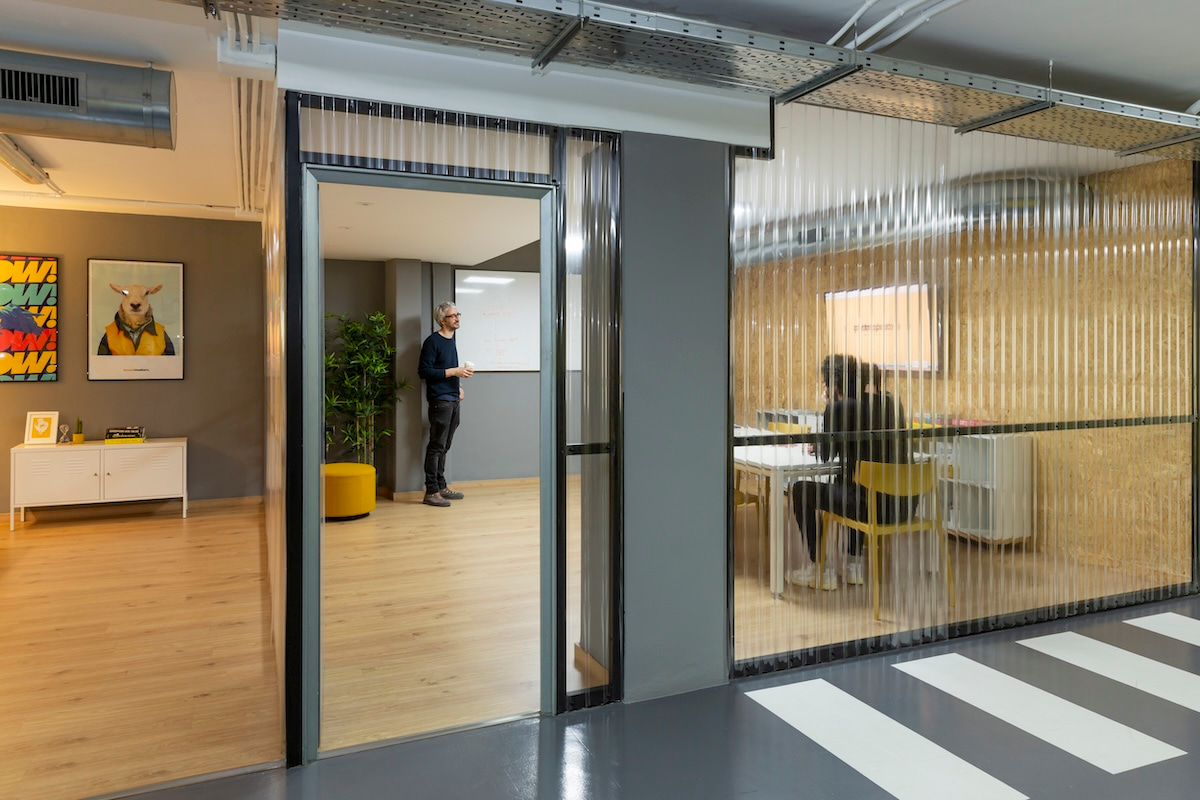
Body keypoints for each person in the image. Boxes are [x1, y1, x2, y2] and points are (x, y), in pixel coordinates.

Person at [788, 354, 912, 590]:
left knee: (801, 490)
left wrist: (829, 408)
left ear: (833, 385)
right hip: (900, 505)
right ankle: (853, 566)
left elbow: (826, 455)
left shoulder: (839, 408)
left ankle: (820, 569)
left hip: (867, 507)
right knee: (851, 480)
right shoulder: (890, 404)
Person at [418, 301, 473, 507]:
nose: (457, 318)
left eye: (458, 314)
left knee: (445, 446)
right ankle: (431, 491)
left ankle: (441, 486)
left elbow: (448, 368)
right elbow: (424, 371)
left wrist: (458, 386)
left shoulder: (451, 340)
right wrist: (454, 372)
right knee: (436, 446)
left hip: (452, 398)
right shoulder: (433, 342)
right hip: (440, 401)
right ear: (442, 320)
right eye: (453, 316)